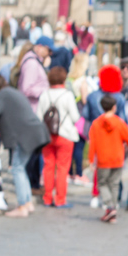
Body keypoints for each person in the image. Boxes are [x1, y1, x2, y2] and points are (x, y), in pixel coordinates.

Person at [0, 74, 50, 219]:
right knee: (21, 168)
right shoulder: (12, 92)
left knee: (17, 168)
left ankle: (22, 206)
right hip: (35, 132)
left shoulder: (3, 94)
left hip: (26, 135)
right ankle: (27, 203)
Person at [37, 66, 81, 209]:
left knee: (48, 166)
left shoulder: (44, 94)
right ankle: (60, 199)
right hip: (65, 135)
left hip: (47, 135)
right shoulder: (67, 95)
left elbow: (38, 116)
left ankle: (47, 197)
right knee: (63, 168)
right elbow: (75, 117)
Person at [86, 95, 128, 223]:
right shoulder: (119, 122)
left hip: (103, 159)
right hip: (118, 158)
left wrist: (91, 159)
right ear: (114, 107)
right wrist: (125, 146)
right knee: (114, 184)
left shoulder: (96, 124)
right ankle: (113, 208)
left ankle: (109, 206)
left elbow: (93, 144)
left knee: (102, 183)